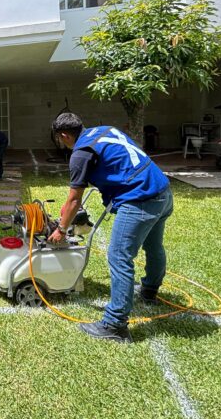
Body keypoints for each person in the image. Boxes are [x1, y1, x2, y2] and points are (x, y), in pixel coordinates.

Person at [48, 113, 172, 344]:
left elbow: (74, 200)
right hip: (162, 191)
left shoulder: (80, 154)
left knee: (118, 256)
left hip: (139, 199)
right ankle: (149, 291)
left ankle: (115, 324)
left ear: (64, 135)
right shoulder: (104, 130)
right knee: (154, 246)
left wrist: (61, 229)